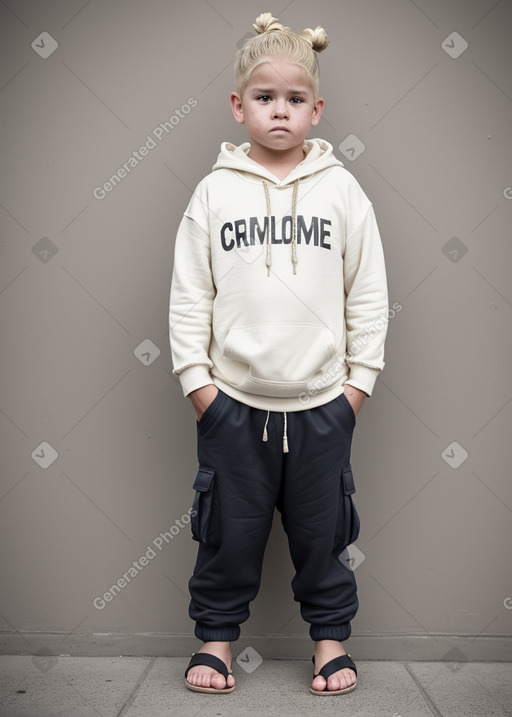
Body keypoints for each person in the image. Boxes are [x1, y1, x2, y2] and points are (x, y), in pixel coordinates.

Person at [169, 11, 388, 696]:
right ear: (239, 107)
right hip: (233, 406)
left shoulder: (342, 191)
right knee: (227, 532)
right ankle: (216, 639)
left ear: (316, 110)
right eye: (266, 98)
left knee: (322, 532)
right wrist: (201, 388)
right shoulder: (213, 193)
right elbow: (188, 296)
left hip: (323, 404)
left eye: (295, 99)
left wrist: (356, 388)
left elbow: (370, 293)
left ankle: (329, 641)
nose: (280, 111)